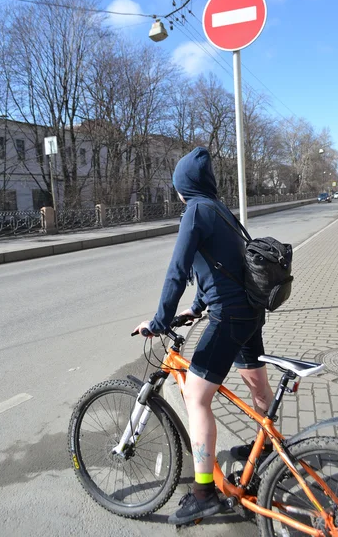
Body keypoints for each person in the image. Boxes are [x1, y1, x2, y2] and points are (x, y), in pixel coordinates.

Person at [133, 146, 273, 526]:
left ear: (184, 186)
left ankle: (203, 493)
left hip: (229, 316)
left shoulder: (194, 211)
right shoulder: (221, 210)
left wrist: (160, 320)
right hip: (248, 313)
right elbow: (218, 267)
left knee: (196, 396)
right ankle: (267, 454)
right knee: (259, 389)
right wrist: (195, 309)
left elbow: (178, 270)